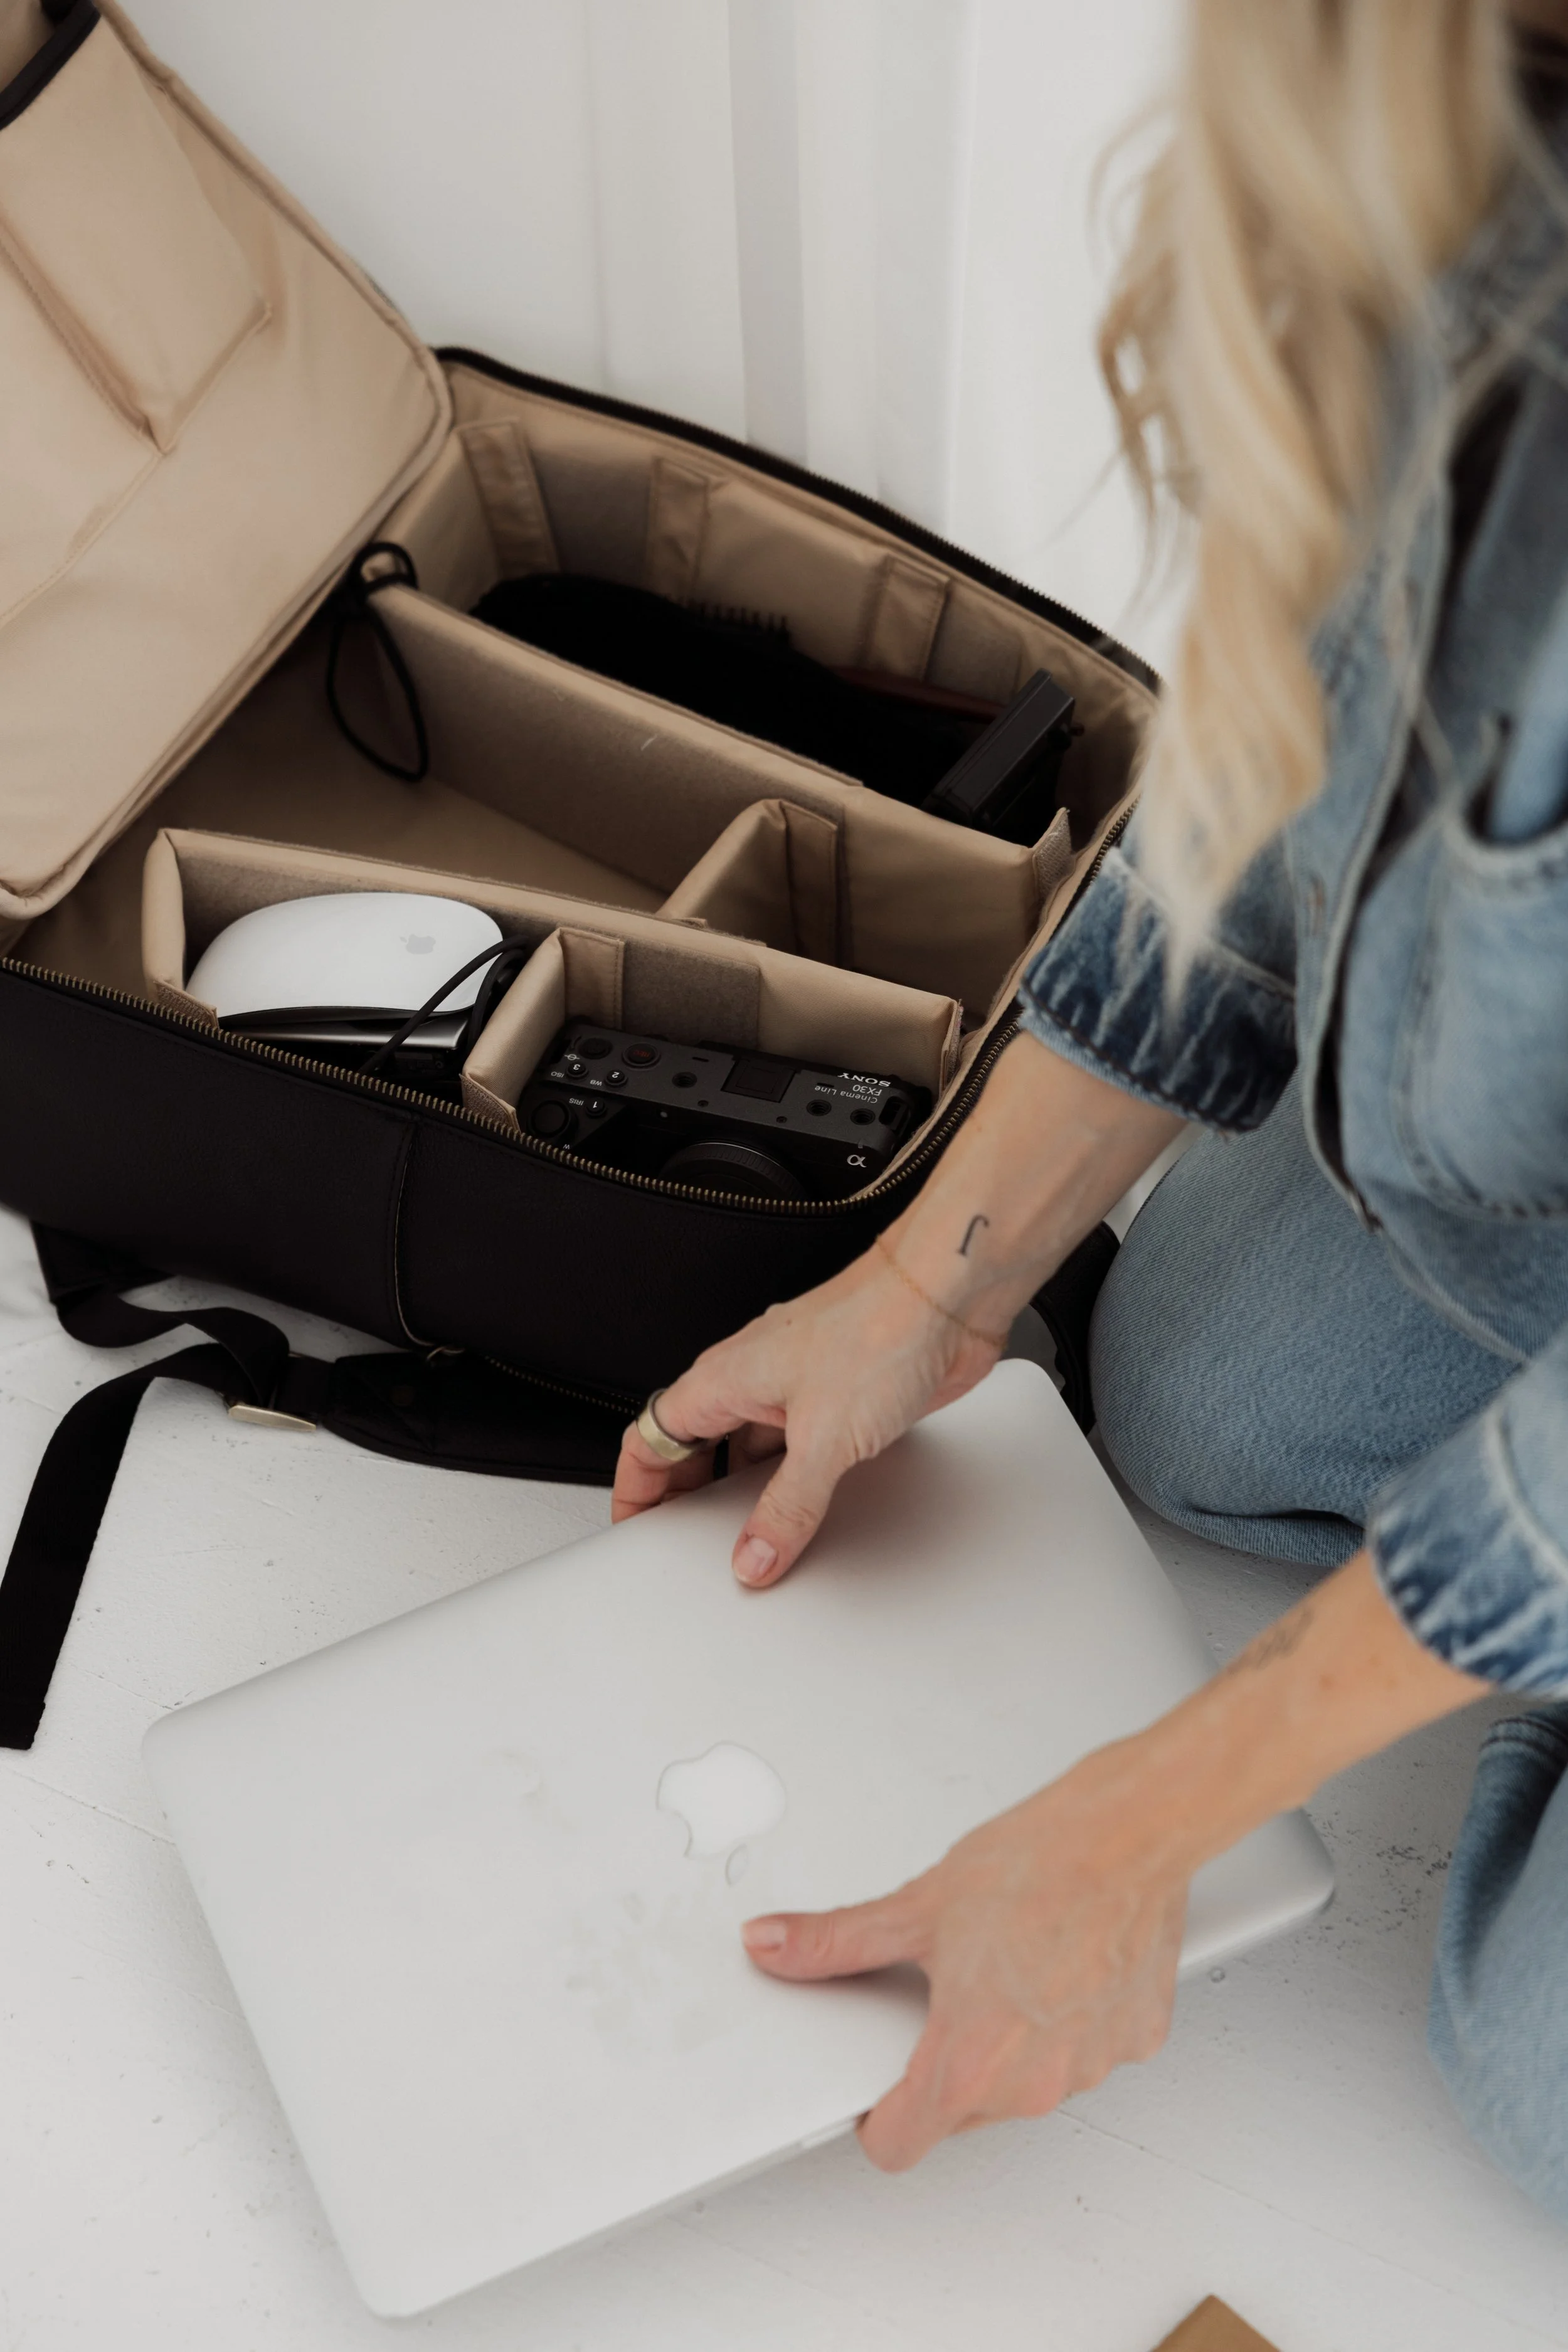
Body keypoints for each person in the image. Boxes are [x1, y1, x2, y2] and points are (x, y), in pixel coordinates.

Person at [613, 0, 1568, 2212]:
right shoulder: (1401, 112)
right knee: (1178, 1405)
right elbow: (1266, 763)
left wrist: (1149, 1821)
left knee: (1529, 2080)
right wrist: (920, 1288)